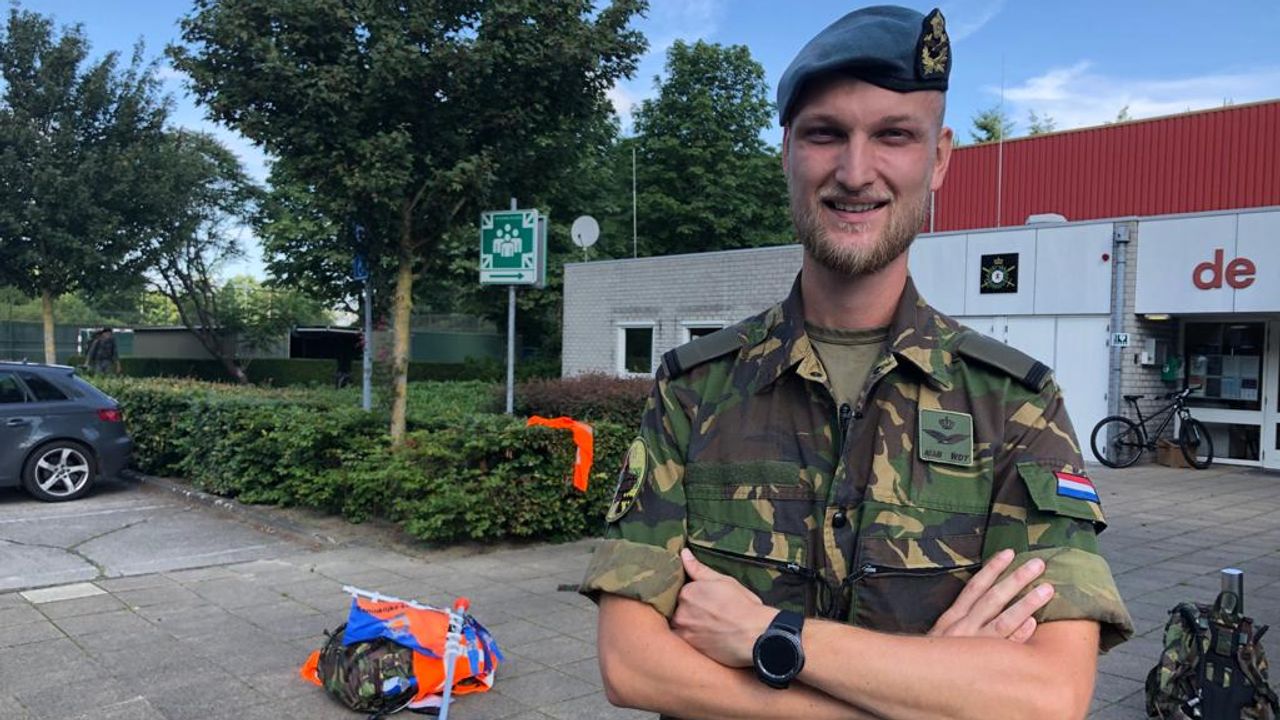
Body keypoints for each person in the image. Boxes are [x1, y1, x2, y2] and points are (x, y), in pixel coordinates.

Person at [579, 6, 1134, 719]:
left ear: (937, 161)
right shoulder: (696, 391)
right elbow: (632, 665)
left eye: (893, 135)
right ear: (786, 152)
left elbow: (1047, 695)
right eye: (825, 134)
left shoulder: (1014, 406)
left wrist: (766, 636)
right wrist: (931, 692)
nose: (854, 170)